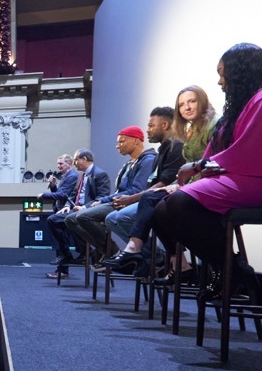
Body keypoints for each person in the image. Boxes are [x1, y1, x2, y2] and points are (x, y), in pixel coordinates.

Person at [153, 43, 262, 300]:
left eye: (223, 74)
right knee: (162, 209)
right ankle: (231, 270)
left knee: (181, 203)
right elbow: (224, 146)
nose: (220, 82)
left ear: (240, 70)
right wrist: (199, 168)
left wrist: (199, 166)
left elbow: (252, 149)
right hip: (243, 177)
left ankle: (231, 271)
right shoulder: (250, 100)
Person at [104, 86, 218, 278]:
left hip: (205, 188)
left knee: (143, 206)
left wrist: (130, 199)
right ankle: (173, 264)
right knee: (152, 207)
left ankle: (148, 256)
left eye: (192, 101)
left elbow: (207, 164)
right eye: (182, 104)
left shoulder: (185, 141)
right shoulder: (180, 140)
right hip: (189, 187)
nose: (187, 107)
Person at [100, 107, 185, 269]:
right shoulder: (162, 150)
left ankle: (149, 257)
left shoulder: (175, 147)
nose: (147, 130)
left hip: (164, 199)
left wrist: (129, 199)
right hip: (150, 199)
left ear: (165, 125)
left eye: (151, 125)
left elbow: (163, 183)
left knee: (120, 216)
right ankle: (145, 258)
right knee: (111, 218)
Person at [65, 126, 157, 265]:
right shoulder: (129, 164)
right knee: (70, 219)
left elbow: (136, 191)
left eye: (122, 141)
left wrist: (103, 200)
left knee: (84, 216)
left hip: (130, 202)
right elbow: (120, 191)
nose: (117, 146)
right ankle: (110, 252)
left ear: (136, 141)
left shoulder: (147, 160)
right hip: (119, 201)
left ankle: (117, 253)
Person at [45, 149, 113, 279]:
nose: (74, 162)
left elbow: (102, 198)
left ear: (84, 159)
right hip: (75, 210)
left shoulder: (100, 174)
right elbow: (73, 194)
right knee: (54, 220)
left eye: (76, 160)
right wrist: (67, 206)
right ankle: (70, 254)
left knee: (61, 220)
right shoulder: (83, 175)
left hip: (89, 211)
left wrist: (84, 207)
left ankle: (82, 252)